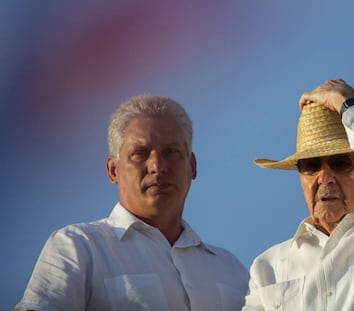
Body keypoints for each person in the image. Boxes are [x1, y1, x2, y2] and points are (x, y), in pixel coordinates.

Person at [16, 95, 249, 311]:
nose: (158, 166)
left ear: (193, 166)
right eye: (140, 153)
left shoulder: (232, 271)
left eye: (171, 151)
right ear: (113, 170)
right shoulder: (79, 248)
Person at [243, 79, 354, 311]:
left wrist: (346, 103)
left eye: (341, 162)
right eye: (311, 165)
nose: (325, 177)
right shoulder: (267, 267)